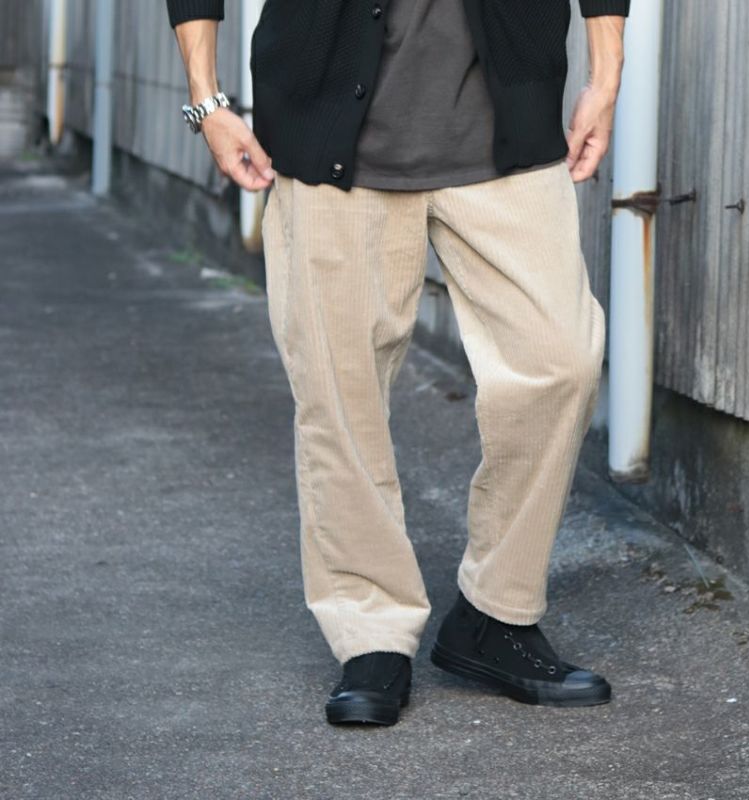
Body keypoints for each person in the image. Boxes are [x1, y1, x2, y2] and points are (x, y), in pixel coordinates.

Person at [167, 0, 629, 726]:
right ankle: (370, 631)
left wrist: (606, 73)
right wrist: (207, 100)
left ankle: (497, 613)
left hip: (507, 122)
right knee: (339, 391)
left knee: (560, 358)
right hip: (328, 133)